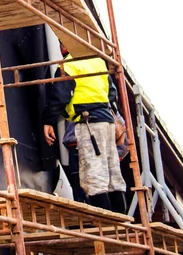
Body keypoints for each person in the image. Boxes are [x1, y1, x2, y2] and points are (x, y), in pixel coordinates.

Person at [43, 47, 127, 212]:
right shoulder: (98, 62)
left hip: (88, 122)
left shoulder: (68, 65)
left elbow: (60, 97)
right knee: (112, 174)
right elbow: (112, 95)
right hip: (107, 122)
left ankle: (107, 224)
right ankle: (122, 221)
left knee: (93, 175)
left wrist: (48, 121)